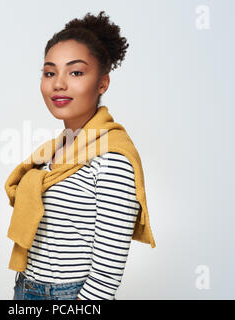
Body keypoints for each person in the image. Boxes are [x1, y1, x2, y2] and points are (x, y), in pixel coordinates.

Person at [11, 11, 143, 300]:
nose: (59, 83)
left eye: (76, 72)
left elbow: (107, 273)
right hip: (26, 289)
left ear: (102, 83)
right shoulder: (51, 152)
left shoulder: (112, 158)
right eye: (49, 72)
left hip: (69, 297)